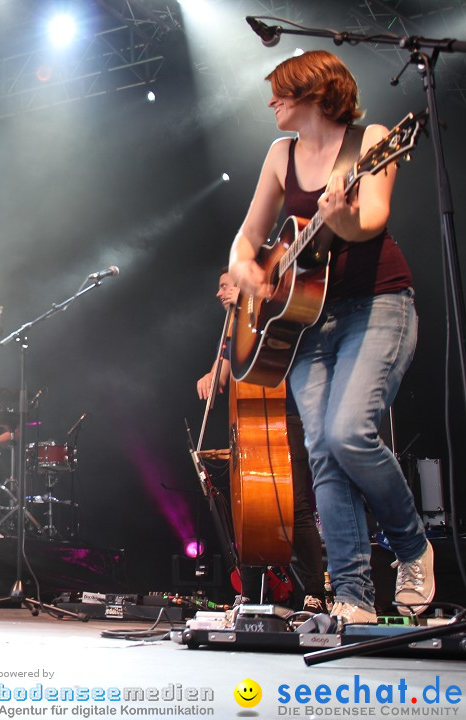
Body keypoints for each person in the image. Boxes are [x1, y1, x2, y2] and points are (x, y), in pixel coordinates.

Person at [228, 50, 432, 624]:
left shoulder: (373, 140)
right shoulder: (279, 155)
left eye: (281, 93)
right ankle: (353, 598)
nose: (272, 102)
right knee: (321, 454)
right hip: (304, 324)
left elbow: (368, 224)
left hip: (378, 305)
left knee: (348, 435)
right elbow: (246, 242)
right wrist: (248, 270)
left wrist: (337, 214)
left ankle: (413, 548)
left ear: (315, 94)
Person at [196, 268, 328, 612]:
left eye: (225, 285)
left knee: (296, 508)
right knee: (250, 512)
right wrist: (212, 374)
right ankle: (250, 596)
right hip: (250, 428)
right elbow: (224, 369)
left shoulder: (267, 315)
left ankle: (315, 592)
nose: (219, 292)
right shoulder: (231, 327)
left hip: (287, 417)